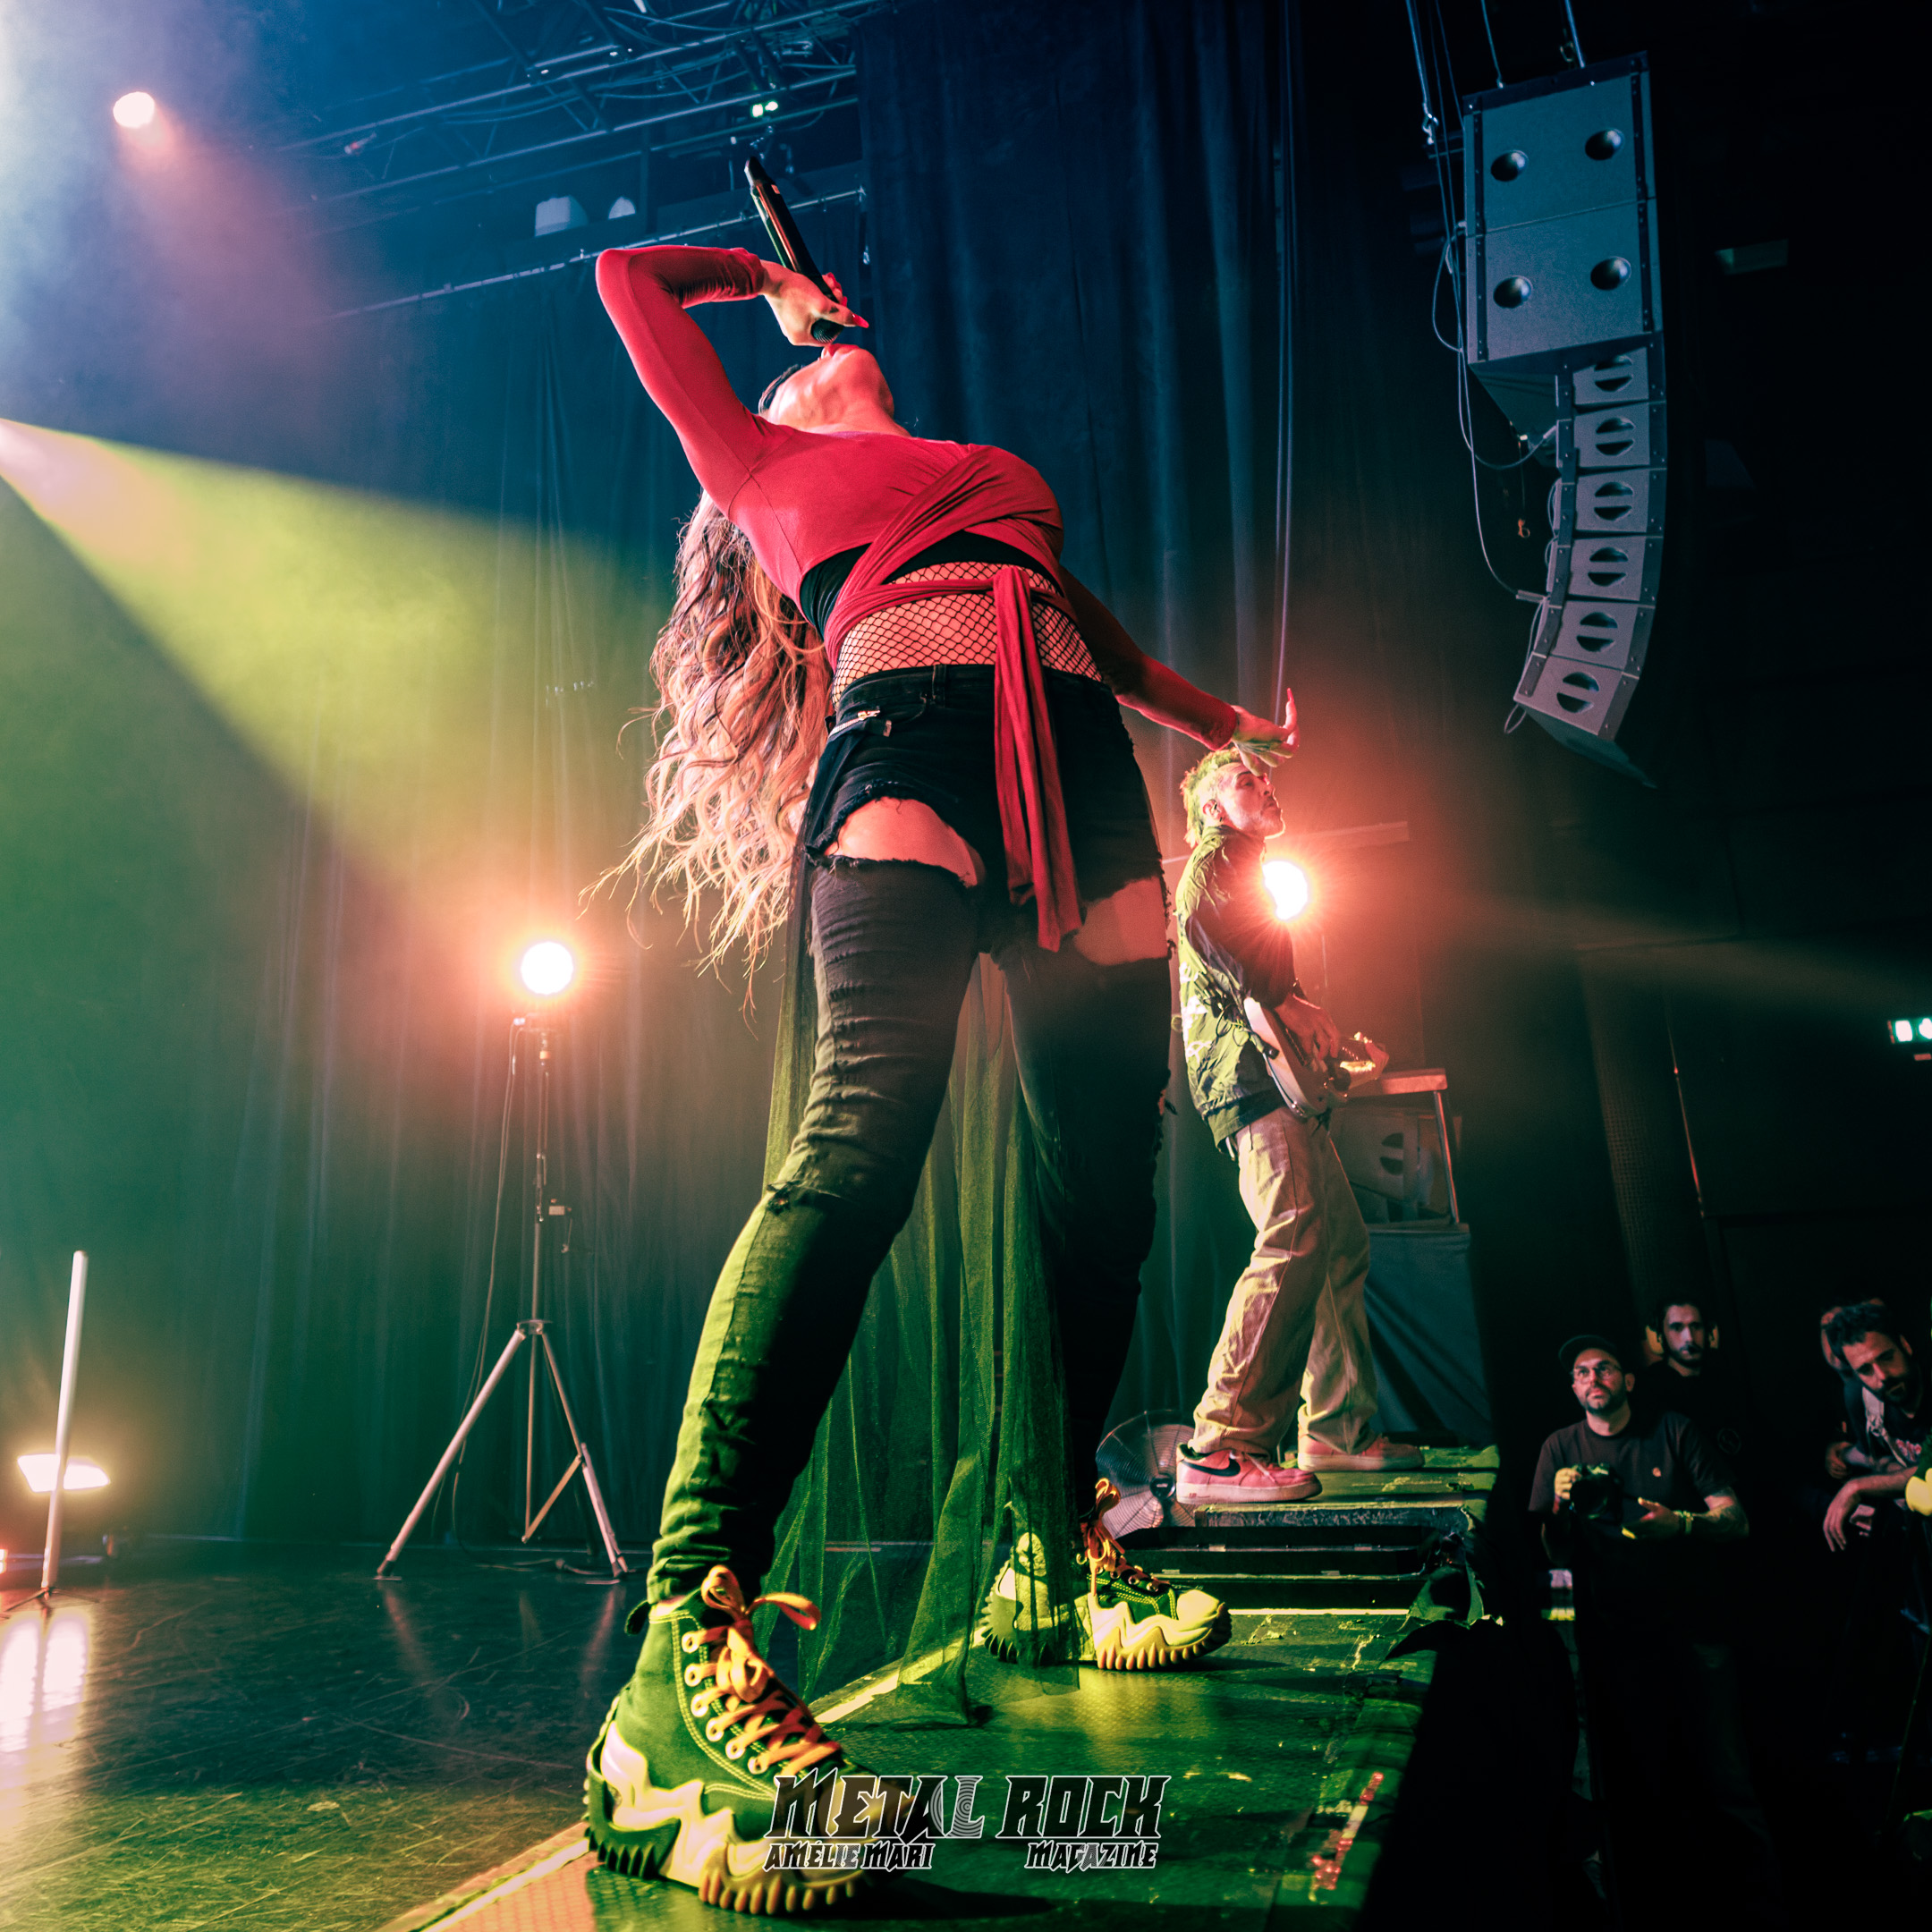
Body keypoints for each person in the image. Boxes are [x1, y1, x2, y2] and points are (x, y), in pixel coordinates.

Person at [580, 245, 1289, 1907]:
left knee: (1106, 1187)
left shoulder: (989, 477)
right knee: (861, 1146)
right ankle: (685, 1639)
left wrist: (1228, 723)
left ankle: (1052, 1547)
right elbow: (624, 280)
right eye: (799, 362)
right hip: (909, 747)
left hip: (1083, 775)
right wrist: (760, 277)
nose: (833, 353)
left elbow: (1090, 632)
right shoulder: (763, 466)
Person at [1168, 751, 1419, 1506]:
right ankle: (1220, 1444)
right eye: (1246, 781)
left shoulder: (1251, 875)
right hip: (1249, 1088)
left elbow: (1272, 1001)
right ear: (1214, 810)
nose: (1266, 786)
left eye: (1267, 777)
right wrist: (1287, 998)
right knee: (1293, 1236)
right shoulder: (1215, 860)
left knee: (1338, 1245)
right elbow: (1212, 933)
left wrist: (1338, 1056)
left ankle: (1337, 1431)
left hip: (1278, 1086)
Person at [1529, 1335, 1782, 1927]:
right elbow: (1553, 1555)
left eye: (1605, 1368)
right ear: (1572, 1388)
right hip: (1616, 1640)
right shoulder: (1559, 1448)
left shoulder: (1673, 1430)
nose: (1594, 1377)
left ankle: (1765, 1903)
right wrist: (1562, 1507)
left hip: (1695, 1626)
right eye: (1582, 1372)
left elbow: (1736, 1519)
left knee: (1726, 1777)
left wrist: (1681, 1525)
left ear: (1629, 1380)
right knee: (1643, 1779)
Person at [1818, 1301, 1929, 1552]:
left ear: (1905, 1345)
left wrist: (1858, 1486)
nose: (1882, 1376)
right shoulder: (1860, 1397)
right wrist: (1841, 1453)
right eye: (1865, 1370)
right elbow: (1877, 1459)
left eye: (1887, 1357)